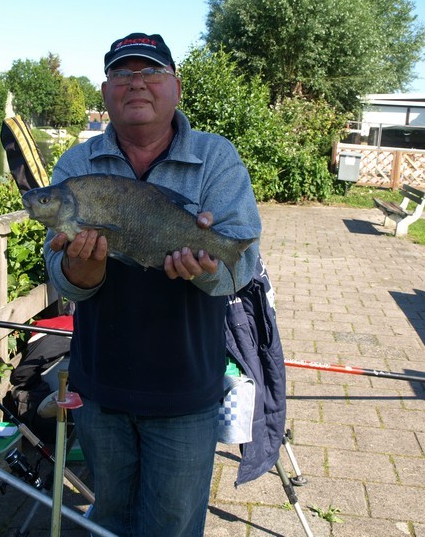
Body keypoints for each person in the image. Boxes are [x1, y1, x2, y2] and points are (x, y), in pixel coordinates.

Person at [43, 32, 262, 536]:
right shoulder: (77, 167)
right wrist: (84, 271)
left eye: (150, 73)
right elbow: (59, 275)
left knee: (172, 526)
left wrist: (209, 271)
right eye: (122, 74)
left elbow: (242, 269)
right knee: (111, 519)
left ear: (176, 88)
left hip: (185, 389)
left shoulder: (216, 158)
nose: (136, 84)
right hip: (100, 387)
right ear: (106, 91)